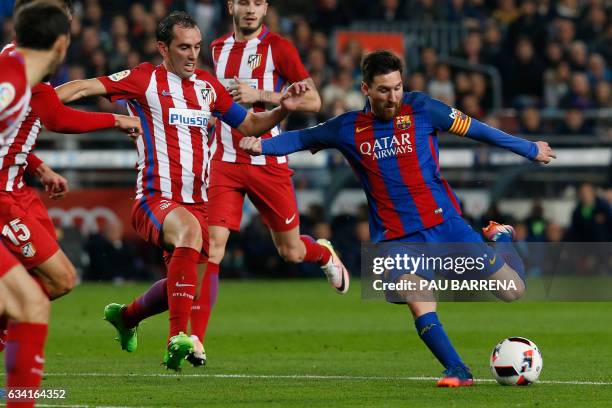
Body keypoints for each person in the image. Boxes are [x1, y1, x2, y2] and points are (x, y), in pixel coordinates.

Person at [240, 50, 557, 386]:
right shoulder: (347, 128)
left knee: (513, 291)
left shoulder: (423, 108)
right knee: (415, 294)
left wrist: (528, 148)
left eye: (397, 87)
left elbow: (477, 130)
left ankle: (502, 240)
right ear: (365, 88)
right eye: (383, 90)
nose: (393, 97)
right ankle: (458, 370)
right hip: (397, 237)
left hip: (444, 223)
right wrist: (261, 146)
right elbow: (302, 138)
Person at [55, 11, 320, 371]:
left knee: (183, 284)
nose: (193, 55)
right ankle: (177, 338)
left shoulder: (208, 87)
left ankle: (127, 317)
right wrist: (37, 103)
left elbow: (251, 123)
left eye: (196, 46)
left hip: (197, 203)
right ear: (162, 48)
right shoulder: (144, 78)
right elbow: (85, 87)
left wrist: (281, 108)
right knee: (192, 236)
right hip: (155, 198)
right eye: (183, 48)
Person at [202, 0, 349, 359]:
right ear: (231, 6)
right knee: (212, 249)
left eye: (257, 2)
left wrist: (262, 96)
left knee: (291, 251)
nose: (250, 9)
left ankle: (322, 252)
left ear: (265, 8)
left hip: (268, 159)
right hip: (224, 161)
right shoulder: (216, 48)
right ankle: (195, 341)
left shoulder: (279, 48)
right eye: (244, 2)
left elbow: (313, 101)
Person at [0, 0, 143, 349]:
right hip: (4, 196)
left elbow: (13, 130)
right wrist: (116, 118)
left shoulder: (16, 63)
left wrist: (36, 165)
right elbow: (56, 118)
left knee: (52, 280)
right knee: (60, 279)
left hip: (19, 187)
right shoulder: (19, 69)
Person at [0, 2, 70, 406]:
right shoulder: (11, 85)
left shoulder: (16, 82)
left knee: (31, 300)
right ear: (62, 43)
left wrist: (38, 167)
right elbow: (61, 117)